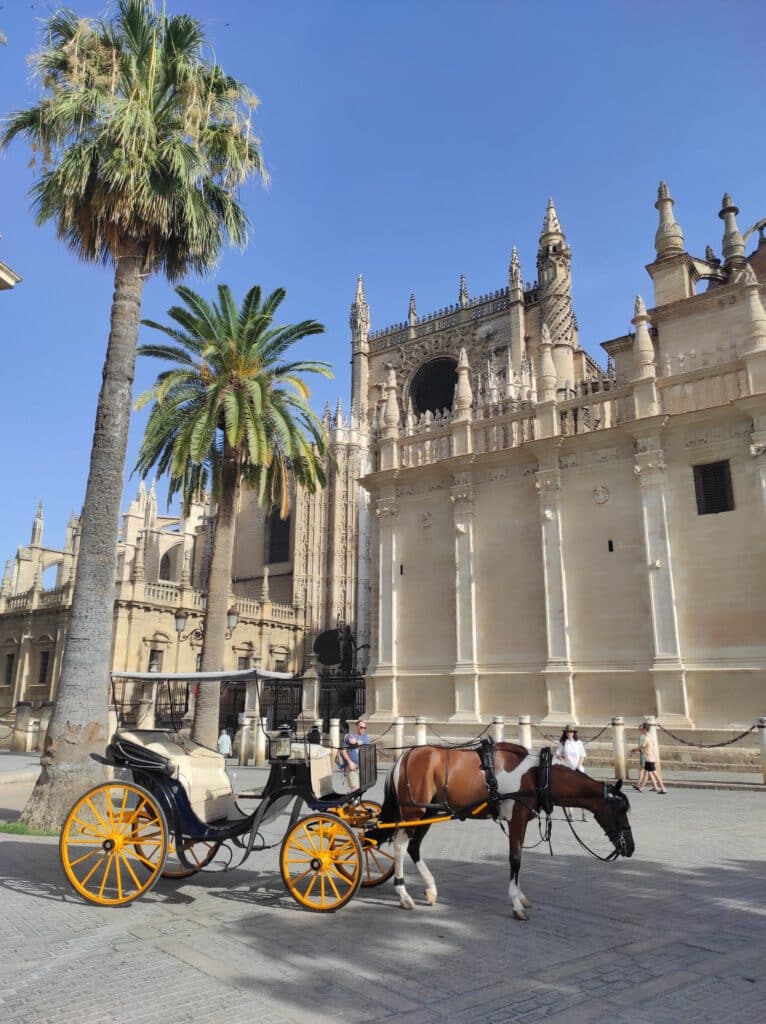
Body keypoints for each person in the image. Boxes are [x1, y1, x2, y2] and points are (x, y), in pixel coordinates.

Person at [555, 724, 587, 821]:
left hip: (578, 769)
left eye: (571, 732)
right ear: (565, 733)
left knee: (582, 792)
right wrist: (563, 762)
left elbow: (582, 756)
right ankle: (570, 814)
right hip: (567, 770)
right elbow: (558, 754)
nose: (569, 733)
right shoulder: (562, 743)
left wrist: (578, 766)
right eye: (568, 732)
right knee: (568, 792)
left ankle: (584, 813)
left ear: (574, 733)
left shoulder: (579, 743)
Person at [630, 723, 667, 793]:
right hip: (650, 759)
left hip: (649, 759)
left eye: (642, 728)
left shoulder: (646, 738)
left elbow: (641, 746)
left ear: (644, 729)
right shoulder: (650, 737)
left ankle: (663, 788)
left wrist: (633, 751)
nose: (641, 730)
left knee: (655, 775)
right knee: (646, 774)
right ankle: (640, 788)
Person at [340, 718, 370, 791]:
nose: (363, 729)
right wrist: (350, 763)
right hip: (352, 766)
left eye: (364, 727)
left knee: (360, 789)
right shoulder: (348, 737)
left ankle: (351, 801)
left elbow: (364, 744)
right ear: (357, 727)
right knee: (354, 789)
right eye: (361, 727)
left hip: (362, 767)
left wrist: (356, 742)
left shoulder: (365, 737)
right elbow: (343, 751)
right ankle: (352, 801)